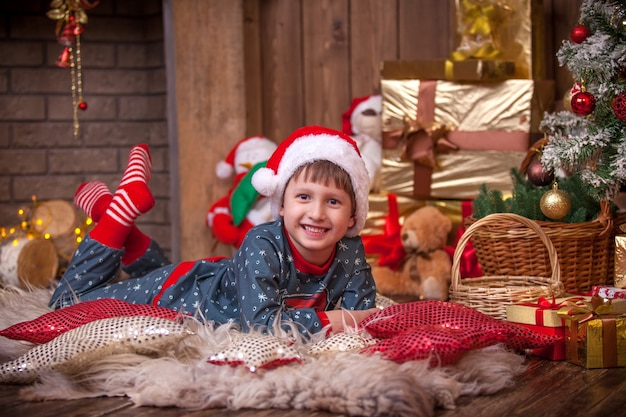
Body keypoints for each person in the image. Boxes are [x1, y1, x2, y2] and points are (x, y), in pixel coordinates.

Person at [49, 126, 379, 335]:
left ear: (353, 217)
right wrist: (340, 320)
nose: (317, 213)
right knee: (66, 306)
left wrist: (350, 319)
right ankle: (116, 218)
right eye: (304, 197)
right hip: (181, 293)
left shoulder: (350, 251)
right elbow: (264, 324)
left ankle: (112, 212)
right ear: (281, 205)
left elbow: (362, 316)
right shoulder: (262, 241)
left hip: (215, 280)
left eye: (333, 202)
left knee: (152, 270)